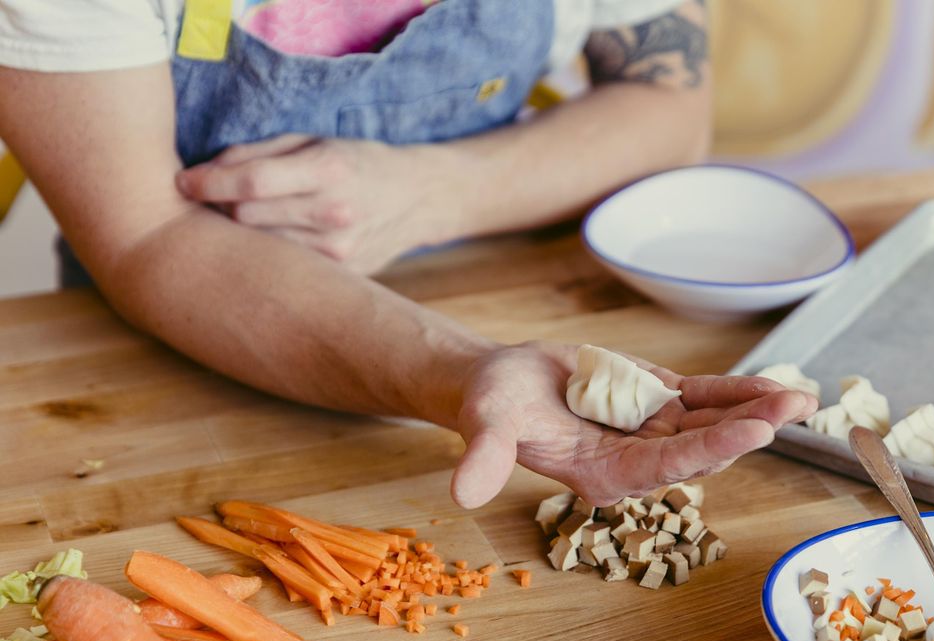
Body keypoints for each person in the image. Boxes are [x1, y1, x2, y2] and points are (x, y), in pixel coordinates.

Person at [0, 0, 815, 508]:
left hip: (513, 286)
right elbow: (148, 233)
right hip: (174, 361)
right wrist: (462, 372)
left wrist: (432, 192)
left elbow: (670, 110)